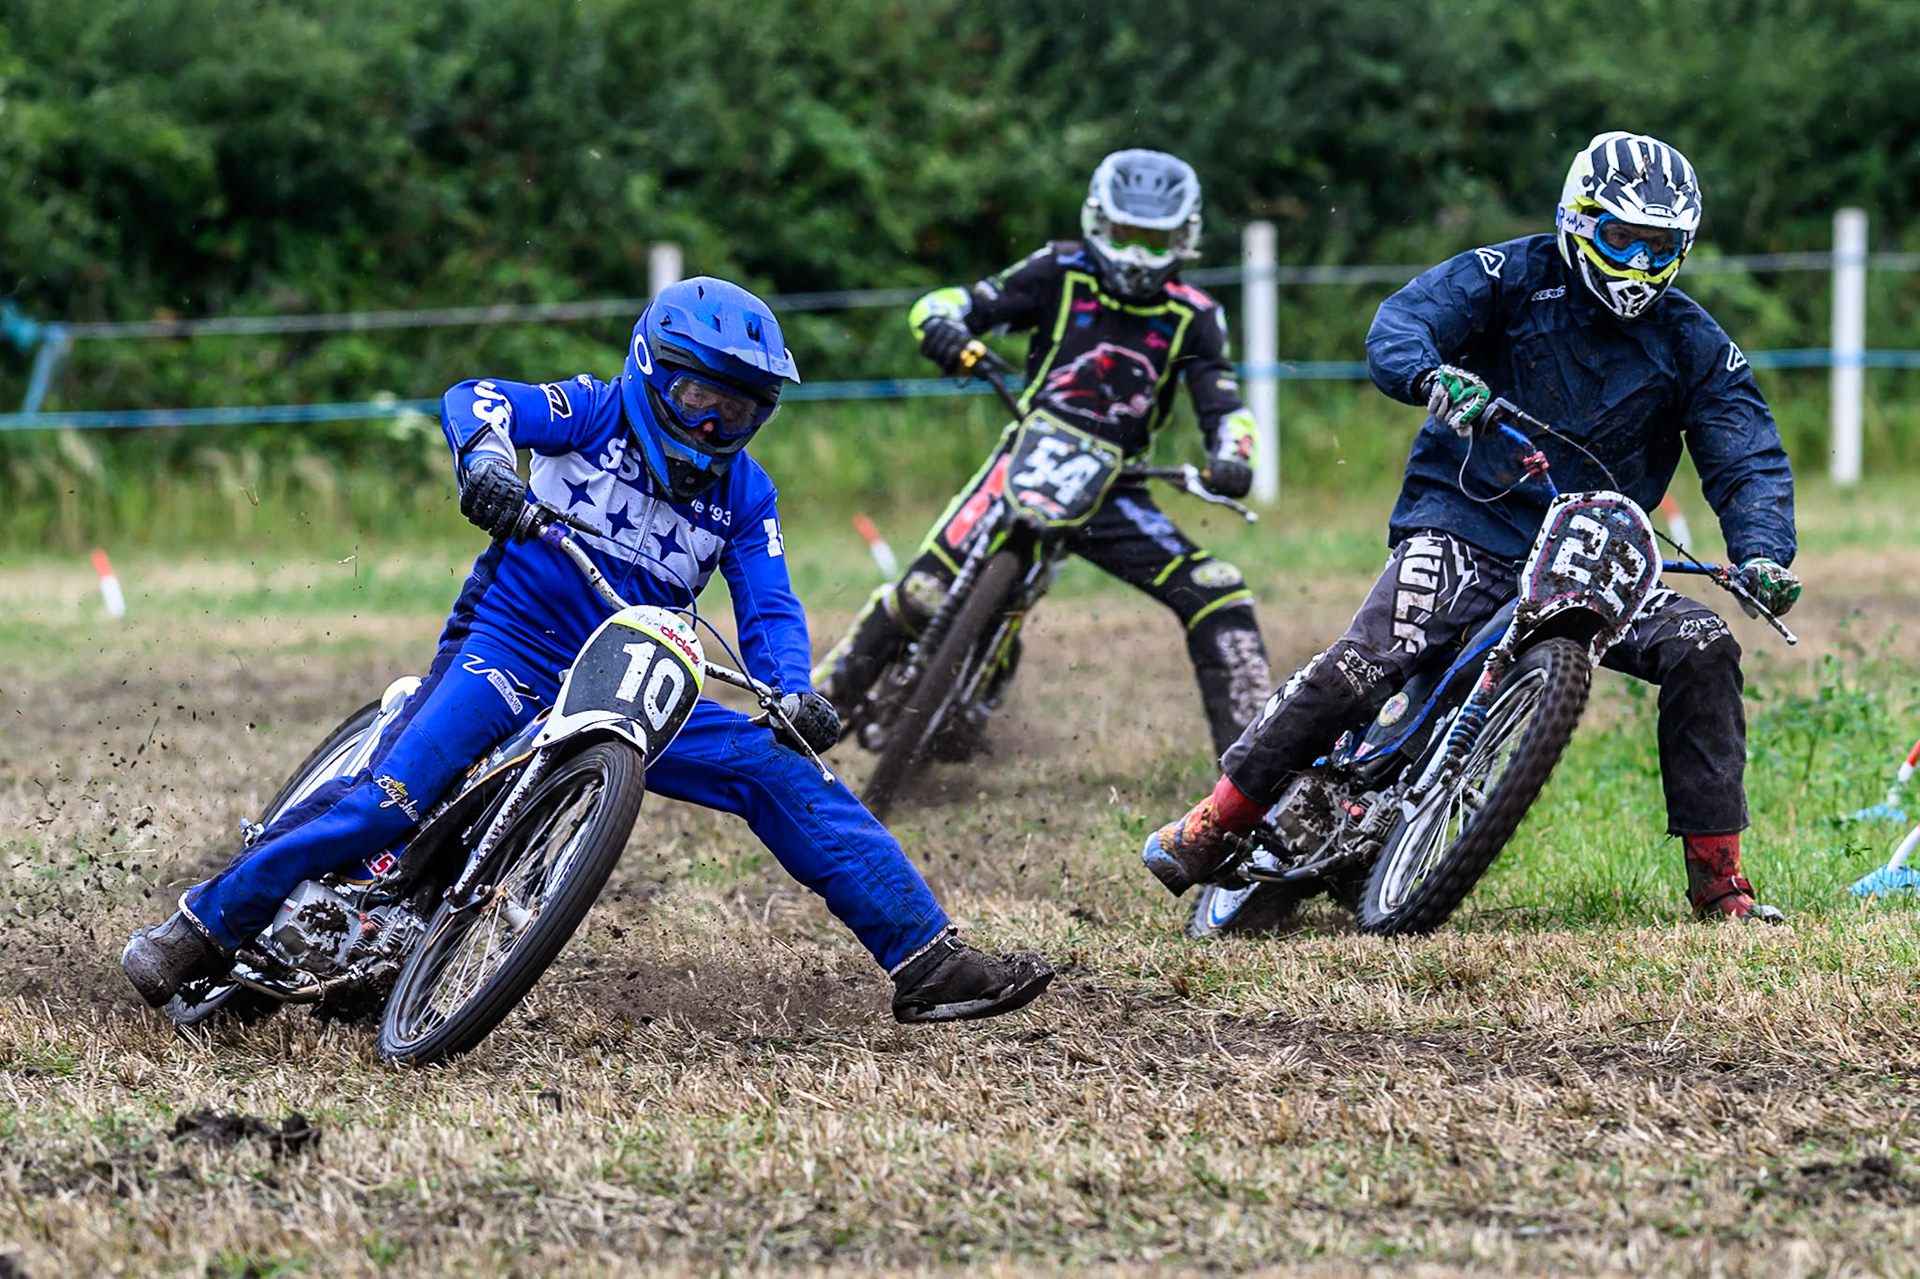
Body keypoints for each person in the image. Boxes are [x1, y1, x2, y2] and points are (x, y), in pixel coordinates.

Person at [121, 277, 1053, 1023]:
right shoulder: (594, 410)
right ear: (652, 371)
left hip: (636, 685)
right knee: (386, 805)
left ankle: (929, 961)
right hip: (512, 650)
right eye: (697, 397)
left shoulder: (746, 494)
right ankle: (205, 921)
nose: (713, 428)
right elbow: (477, 399)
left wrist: (791, 689)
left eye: (741, 412)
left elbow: (768, 600)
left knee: (783, 772)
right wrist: (484, 461)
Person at [1141, 132, 1800, 922]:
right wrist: (1432, 373)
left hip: (1598, 551)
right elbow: (1401, 323)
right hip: (1467, 522)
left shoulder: (1695, 341)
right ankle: (1215, 820)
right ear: (1577, 219)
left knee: (1705, 645)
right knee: (1364, 662)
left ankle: (1720, 879)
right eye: (1619, 237)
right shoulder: (1505, 275)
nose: (1635, 263)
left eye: (1657, 246)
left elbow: (1747, 451)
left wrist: (1763, 552)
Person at [814, 149, 1273, 757]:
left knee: (1219, 590)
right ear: (1097, 222)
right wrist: (945, 329)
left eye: (1154, 240)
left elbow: (1224, 402)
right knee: (920, 594)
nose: (1136, 254)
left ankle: (1256, 770)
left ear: (1185, 240)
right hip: (1023, 459)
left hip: (1115, 489)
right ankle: (812, 709)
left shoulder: (1196, 316)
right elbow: (954, 302)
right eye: (1126, 234)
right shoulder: (1058, 269)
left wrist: (1234, 453)